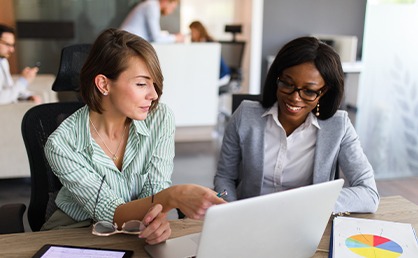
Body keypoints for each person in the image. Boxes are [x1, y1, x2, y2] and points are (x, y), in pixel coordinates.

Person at [43, 28, 225, 244]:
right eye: (141, 84)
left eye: (154, 83)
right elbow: (109, 212)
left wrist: (156, 220)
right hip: (75, 232)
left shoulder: (160, 118)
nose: (154, 94)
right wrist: (174, 196)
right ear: (103, 84)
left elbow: (156, 189)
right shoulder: (62, 143)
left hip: (134, 228)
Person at [214, 36, 379, 213]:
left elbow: (369, 194)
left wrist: (309, 202)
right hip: (249, 218)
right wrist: (229, 209)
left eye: (309, 91)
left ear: (324, 92)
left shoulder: (339, 126)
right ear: (276, 78)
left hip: (305, 221)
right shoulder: (245, 115)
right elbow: (224, 178)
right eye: (287, 83)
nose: (294, 98)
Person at [0, 24, 41, 105]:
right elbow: (1, 99)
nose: (12, 50)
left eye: (13, 45)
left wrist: (28, 96)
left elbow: (10, 88)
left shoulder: (3, 61)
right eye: (8, 45)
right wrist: (23, 81)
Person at [189, 21, 231, 85]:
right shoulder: (197, 44)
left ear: (199, 31)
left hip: (221, 75)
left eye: (193, 31)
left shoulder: (209, 44)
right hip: (211, 75)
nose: (191, 34)